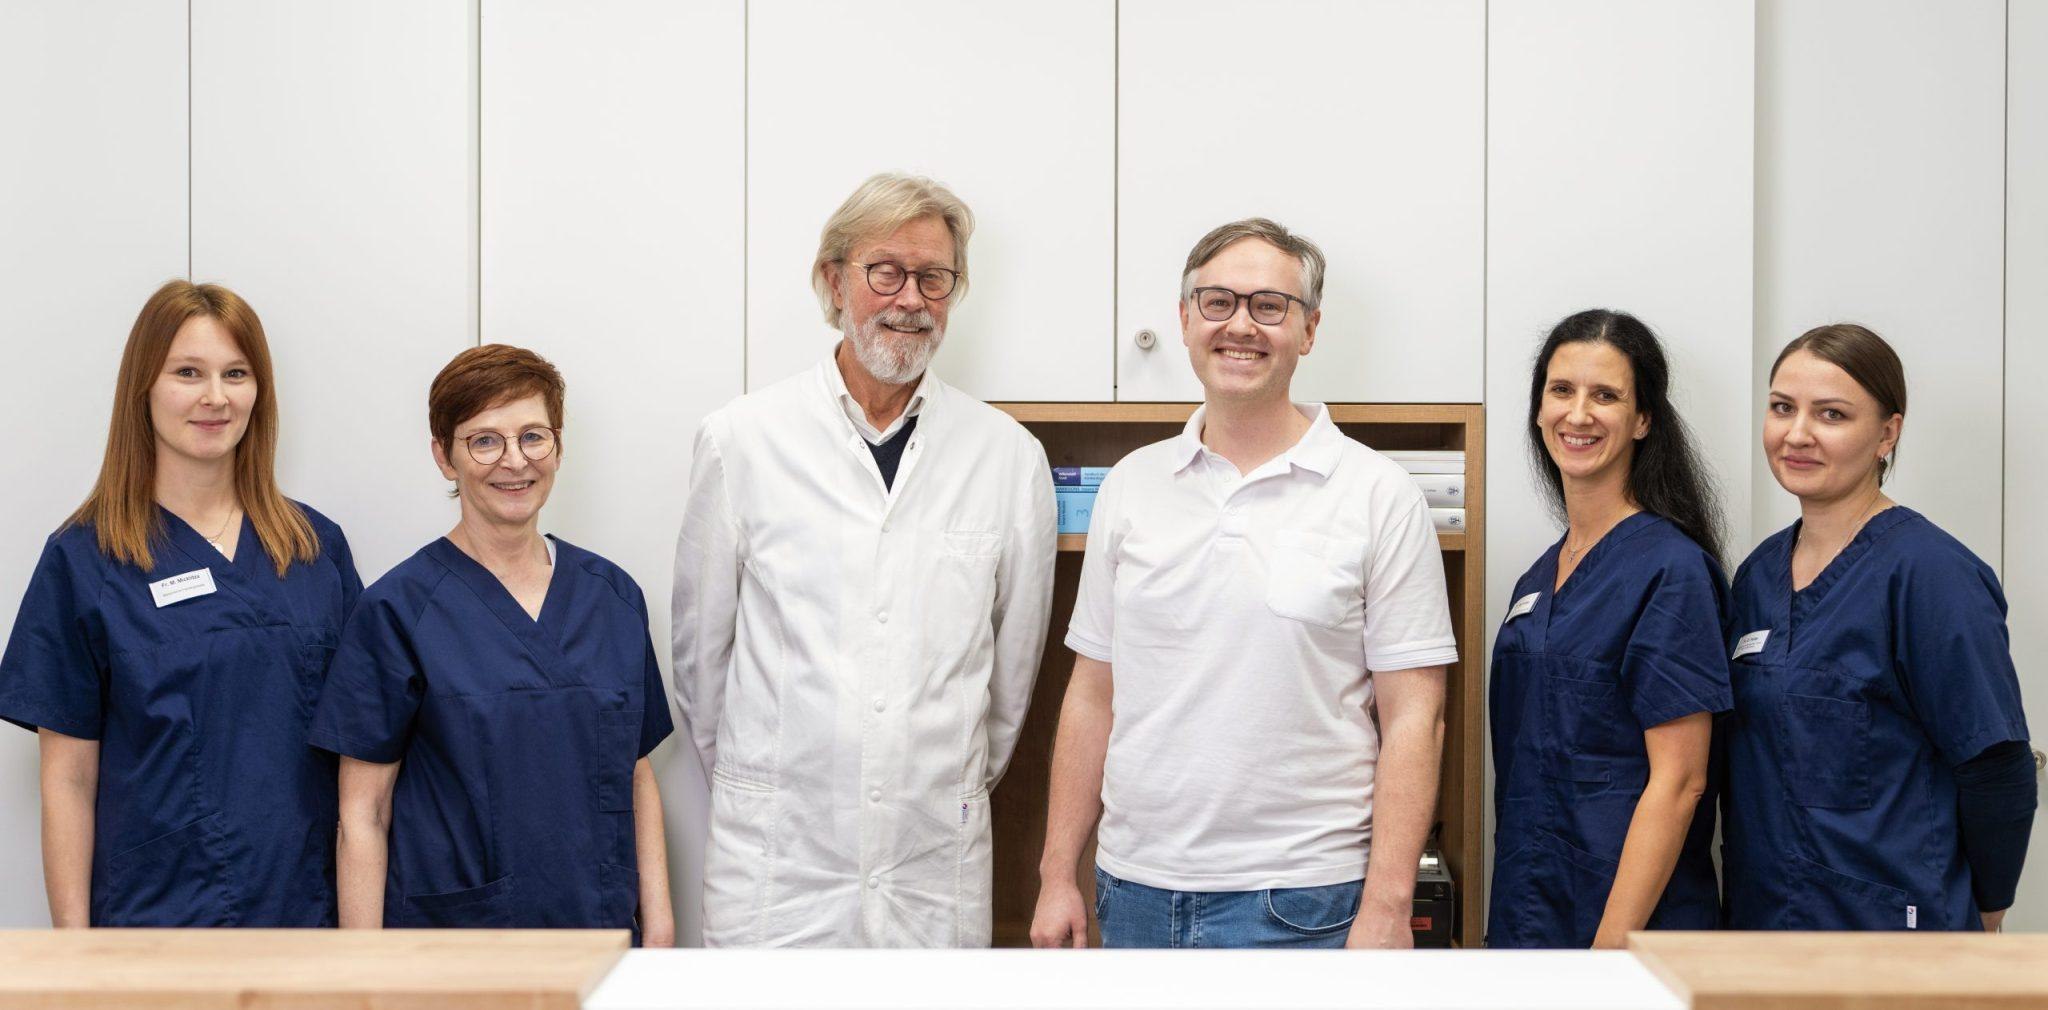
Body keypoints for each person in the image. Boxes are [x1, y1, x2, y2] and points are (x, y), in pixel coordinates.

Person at [1029, 218, 1457, 949]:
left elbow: (1417, 716)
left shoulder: (1379, 493)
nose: (1240, 326)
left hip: (1305, 900)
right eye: (1218, 301)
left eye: (1269, 306)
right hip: (1132, 891)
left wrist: (1389, 905)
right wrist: (1056, 873)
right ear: (1185, 319)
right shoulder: (1131, 485)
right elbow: (1093, 694)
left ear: (1309, 329)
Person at [673, 172, 1056, 947]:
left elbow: (1010, 685)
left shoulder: (1008, 458)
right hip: (776, 863)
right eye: (886, 271)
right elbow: (701, 666)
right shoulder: (742, 440)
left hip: (931, 861)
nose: (910, 299)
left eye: (934, 277)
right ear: (833, 281)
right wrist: (771, 788)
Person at [0, 280, 361, 926]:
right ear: (143, 387)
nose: (215, 397)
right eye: (188, 373)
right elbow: (68, 780)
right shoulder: (85, 558)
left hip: (306, 915)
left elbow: (364, 754)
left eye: (236, 373)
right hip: (155, 922)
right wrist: (75, 953)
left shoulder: (314, 548)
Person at [310, 345, 675, 942]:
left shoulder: (612, 596)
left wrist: (658, 928)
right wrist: (365, 970)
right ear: (444, 457)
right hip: (454, 944)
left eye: (533, 436)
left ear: (559, 446)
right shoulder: (398, 610)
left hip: (599, 930)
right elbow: (363, 814)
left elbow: (635, 774)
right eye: (484, 441)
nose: (515, 461)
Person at [1723, 324, 2035, 932]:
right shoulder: (1758, 574)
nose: (1797, 434)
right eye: (1782, 407)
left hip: (1892, 928)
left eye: (1832, 414)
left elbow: (1996, 765)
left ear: (1887, 434)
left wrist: (1985, 916)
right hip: (1765, 923)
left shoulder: (1930, 573)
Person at [1486, 309, 1731, 949]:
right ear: (1539, 409)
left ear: (1643, 419)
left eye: (1605, 396)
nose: (1578, 414)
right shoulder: (1538, 580)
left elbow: (1681, 782)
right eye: (1561, 390)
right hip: (1529, 912)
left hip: (1626, 934)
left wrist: (1611, 952)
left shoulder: (1670, 570)